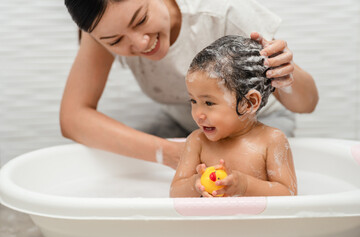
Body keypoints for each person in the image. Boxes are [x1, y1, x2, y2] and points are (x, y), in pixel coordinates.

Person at [61, 0, 318, 170]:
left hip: (256, 124)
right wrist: (170, 153)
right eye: (116, 41)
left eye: (140, 20)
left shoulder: (222, 12)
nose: (140, 44)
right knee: (124, 169)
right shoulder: (101, 30)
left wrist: (285, 75)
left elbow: (307, 104)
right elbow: (73, 119)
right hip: (185, 125)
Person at [170, 35, 297, 197]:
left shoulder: (271, 140)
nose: (197, 114)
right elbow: (175, 192)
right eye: (193, 101)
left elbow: (288, 194)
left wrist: (245, 186)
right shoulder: (197, 142)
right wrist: (196, 183)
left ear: (249, 102)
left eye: (208, 103)